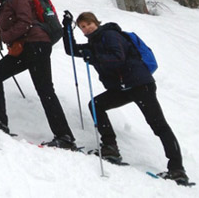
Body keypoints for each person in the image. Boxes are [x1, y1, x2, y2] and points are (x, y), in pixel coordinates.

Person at [62, 11, 190, 184]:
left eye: (88, 24)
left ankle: (177, 169)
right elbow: (70, 50)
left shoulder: (109, 34)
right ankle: (110, 148)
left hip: (140, 84)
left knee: (158, 125)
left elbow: (118, 58)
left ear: (96, 22)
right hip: (122, 88)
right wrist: (67, 28)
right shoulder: (94, 43)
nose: (86, 29)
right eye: (82, 27)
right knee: (96, 105)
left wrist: (95, 57)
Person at [0, 0, 75, 149]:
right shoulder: (7, 0)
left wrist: (2, 37)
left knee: (45, 89)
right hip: (25, 48)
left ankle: (65, 137)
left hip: (36, 45)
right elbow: (15, 23)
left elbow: (25, 23)